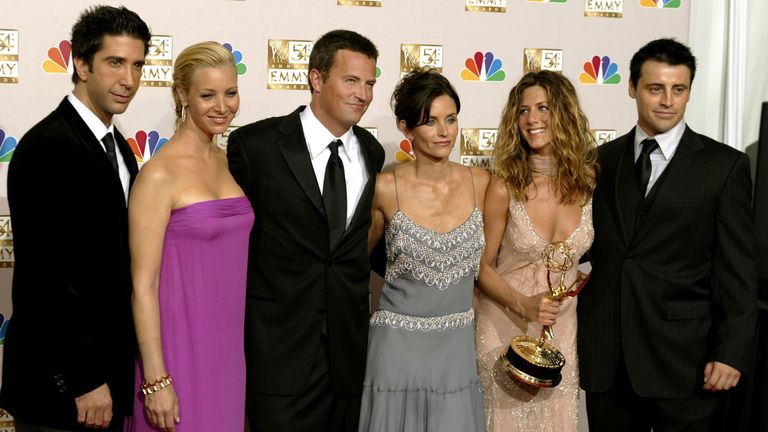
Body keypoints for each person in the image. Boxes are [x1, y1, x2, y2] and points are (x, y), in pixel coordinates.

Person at [578, 38, 758, 431]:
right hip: (610, 360)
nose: (667, 101)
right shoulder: (600, 162)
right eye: (655, 88)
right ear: (632, 88)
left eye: (679, 89)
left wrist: (731, 352)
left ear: (690, 91)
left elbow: (737, 271)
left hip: (687, 362)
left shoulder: (724, 166)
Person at [0, 6, 150, 431]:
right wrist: (84, 379)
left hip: (108, 380)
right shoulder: (48, 145)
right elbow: (45, 278)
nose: (130, 80)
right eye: (115, 63)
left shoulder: (117, 145)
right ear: (81, 64)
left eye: (138, 65)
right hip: (65, 389)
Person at [227, 29, 385, 432]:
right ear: (316, 79)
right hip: (278, 357)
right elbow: (232, 252)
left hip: (347, 360)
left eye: (369, 83)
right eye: (351, 81)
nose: (363, 95)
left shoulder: (371, 150)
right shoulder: (255, 146)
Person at [127, 42, 253, 432]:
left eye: (230, 93)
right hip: (177, 354)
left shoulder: (226, 160)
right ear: (182, 94)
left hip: (228, 355)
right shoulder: (158, 175)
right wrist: (157, 380)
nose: (222, 106)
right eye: (207, 95)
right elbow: (143, 287)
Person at [359, 68, 489, 432]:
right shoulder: (384, 187)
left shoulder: (481, 184)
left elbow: (492, 264)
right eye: (430, 122)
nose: (445, 131)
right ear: (406, 128)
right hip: (396, 350)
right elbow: (353, 264)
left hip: (456, 351)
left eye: (451, 119)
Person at [474, 70, 597, 432]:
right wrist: (522, 304)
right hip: (504, 327)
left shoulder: (590, 182)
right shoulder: (504, 186)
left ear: (564, 112)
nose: (532, 119)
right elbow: (479, 266)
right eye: (523, 111)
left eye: (543, 107)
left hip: (562, 333)